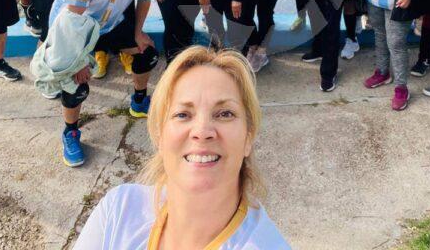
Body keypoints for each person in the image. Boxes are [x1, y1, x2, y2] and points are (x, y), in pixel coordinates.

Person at [73, 46, 290, 249]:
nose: (202, 131)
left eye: (225, 114)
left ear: (248, 138)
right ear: (159, 136)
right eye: (183, 115)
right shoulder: (118, 211)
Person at [46, 0, 158, 166]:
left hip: (112, 21)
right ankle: (70, 132)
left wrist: (138, 32)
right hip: (76, 24)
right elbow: (73, 19)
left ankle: (139, 102)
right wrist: (76, 61)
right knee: (76, 83)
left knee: (147, 54)